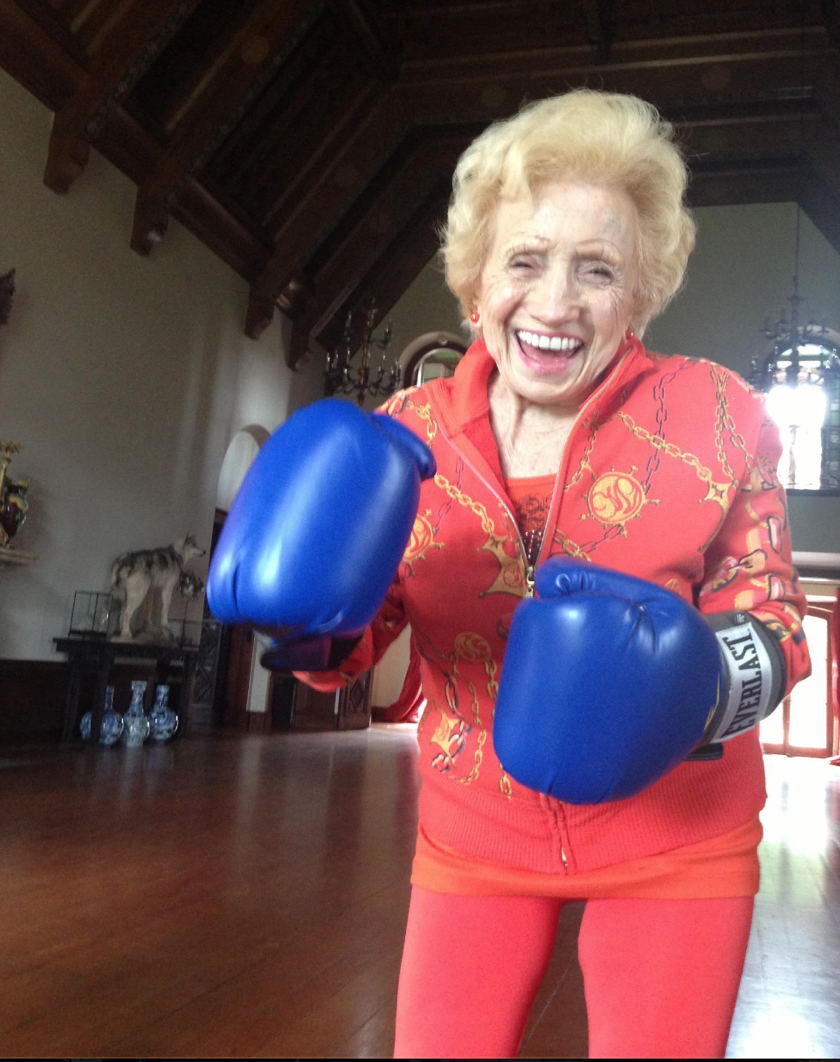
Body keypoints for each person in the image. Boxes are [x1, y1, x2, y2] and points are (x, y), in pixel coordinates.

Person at [209, 89, 811, 1058]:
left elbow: (777, 623)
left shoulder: (718, 414)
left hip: (677, 837)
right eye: (525, 261)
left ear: (641, 292)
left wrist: (689, 686)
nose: (556, 303)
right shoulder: (407, 435)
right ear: (475, 281)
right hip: (474, 834)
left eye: (597, 269)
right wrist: (306, 628)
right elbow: (356, 642)